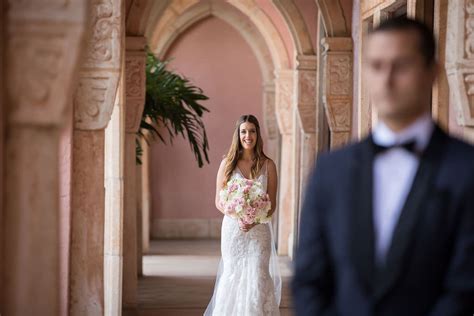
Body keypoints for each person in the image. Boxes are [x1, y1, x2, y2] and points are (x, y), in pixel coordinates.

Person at [292, 17, 474, 316]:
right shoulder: (330, 170)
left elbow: (465, 286)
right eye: (376, 66)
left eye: (401, 66)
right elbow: (309, 279)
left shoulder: (466, 169)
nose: (386, 79)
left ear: (433, 72)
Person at [204, 114, 282, 315]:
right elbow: (218, 201)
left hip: (259, 231)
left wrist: (253, 219)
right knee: (233, 275)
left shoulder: (268, 165)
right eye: (244, 131)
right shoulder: (227, 164)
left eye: (252, 131)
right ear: (238, 135)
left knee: (257, 275)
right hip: (234, 230)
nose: (248, 136)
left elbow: (271, 204)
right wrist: (238, 217)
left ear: (258, 134)